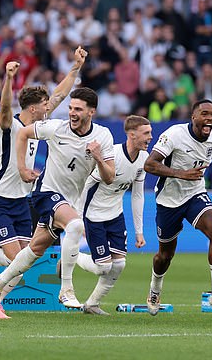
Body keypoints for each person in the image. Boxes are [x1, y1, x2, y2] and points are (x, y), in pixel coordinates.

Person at [0, 47, 87, 319]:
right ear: (33, 107)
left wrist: (76, 67)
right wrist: (8, 78)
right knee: (12, 260)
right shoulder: (11, 124)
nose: (49, 107)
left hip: (23, 201)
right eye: (44, 105)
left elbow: (59, 93)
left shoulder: (39, 125)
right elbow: (5, 106)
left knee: (23, 262)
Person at [0, 87, 115, 317]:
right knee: (75, 225)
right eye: (71, 108)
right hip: (45, 193)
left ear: (91, 112)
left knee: (33, 252)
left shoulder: (103, 136)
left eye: (78, 109)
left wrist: (98, 158)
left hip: (70, 201)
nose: (72, 113)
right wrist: (23, 167)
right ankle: (66, 289)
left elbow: (109, 176)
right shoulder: (56, 128)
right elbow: (23, 133)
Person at [144, 99, 212, 315]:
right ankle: (155, 290)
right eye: (205, 114)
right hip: (168, 200)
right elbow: (149, 164)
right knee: (165, 255)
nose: (210, 119)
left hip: (195, 194)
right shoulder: (174, 135)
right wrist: (180, 173)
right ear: (193, 116)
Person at [75, 115, 152, 315]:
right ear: (132, 135)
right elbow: (87, 186)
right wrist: (79, 218)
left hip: (115, 216)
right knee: (103, 268)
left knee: (118, 264)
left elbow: (137, 195)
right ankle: (73, 258)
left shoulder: (144, 158)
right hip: (94, 216)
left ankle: (92, 304)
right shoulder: (113, 155)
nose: (150, 137)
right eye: (146, 133)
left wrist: (139, 231)